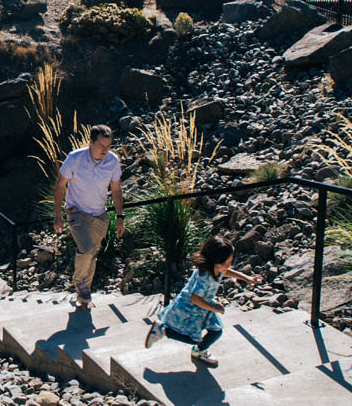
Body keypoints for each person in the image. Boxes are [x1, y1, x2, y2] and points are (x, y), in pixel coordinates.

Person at [144, 235, 264, 367]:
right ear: (215, 261)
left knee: (216, 330)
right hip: (189, 309)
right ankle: (162, 330)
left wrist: (246, 278)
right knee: (193, 338)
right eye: (226, 263)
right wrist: (215, 308)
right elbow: (194, 298)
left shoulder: (216, 268)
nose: (228, 265)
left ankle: (199, 351)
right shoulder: (205, 277)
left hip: (205, 306)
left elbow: (226, 271)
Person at [53, 124, 124, 308]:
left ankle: (84, 295)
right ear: (91, 142)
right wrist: (58, 215)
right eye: (102, 146)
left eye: (109, 146)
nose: (106, 150)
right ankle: (80, 284)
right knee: (86, 250)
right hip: (76, 212)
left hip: (99, 214)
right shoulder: (75, 158)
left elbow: (116, 189)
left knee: (93, 254)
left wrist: (119, 216)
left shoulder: (112, 161)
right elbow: (60, 185)